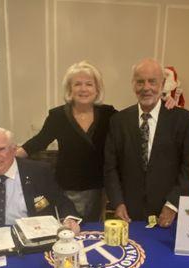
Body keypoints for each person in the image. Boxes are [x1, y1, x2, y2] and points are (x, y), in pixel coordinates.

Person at [16, 61, 116, 222]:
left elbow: (130, 124)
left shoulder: (109, 114)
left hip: (98, 188)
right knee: (68, 229)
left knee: (92, 230)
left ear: (97, 89)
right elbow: (40, 141)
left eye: (89, 84)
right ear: (70, 89)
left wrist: (168, 102)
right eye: (77, 84)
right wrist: (12, 156)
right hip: (66, 188)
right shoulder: (58, 116)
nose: (83, 89)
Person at [104, 58, 189, 228]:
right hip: (128, 214)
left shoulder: (184, 120)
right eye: (140, 82)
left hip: (168, 213)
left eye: (152, 81)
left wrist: (172, 205)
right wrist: (117, 203)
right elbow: (110, 167)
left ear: (162, 84)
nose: (146, 87)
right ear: (133, 85)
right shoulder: (118, 121)